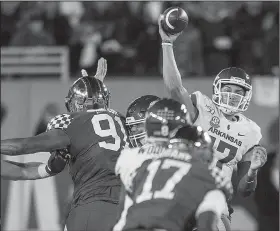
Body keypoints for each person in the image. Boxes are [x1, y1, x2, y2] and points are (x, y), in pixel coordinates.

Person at [157, 14, 267, 230]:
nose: (233, 95)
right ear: (217, 89)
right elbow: (174, 88)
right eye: (228, 89)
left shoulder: (251, 131)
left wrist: (253, 171)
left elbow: (245, 190)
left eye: (238, 91)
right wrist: (167, 43)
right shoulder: (202, 106)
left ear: (246, 96)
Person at [1, 65, 129, 231]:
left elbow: (23, 147)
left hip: (92, 206)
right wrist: (94, 88)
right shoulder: (121, 119)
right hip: (129, 207)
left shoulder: (70, 122)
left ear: (74, 103)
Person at [113, 98, 233, 231]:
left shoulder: (133, 159)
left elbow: (124, 206)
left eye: (138, 126)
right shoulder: (209, 173)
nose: (135, 130)